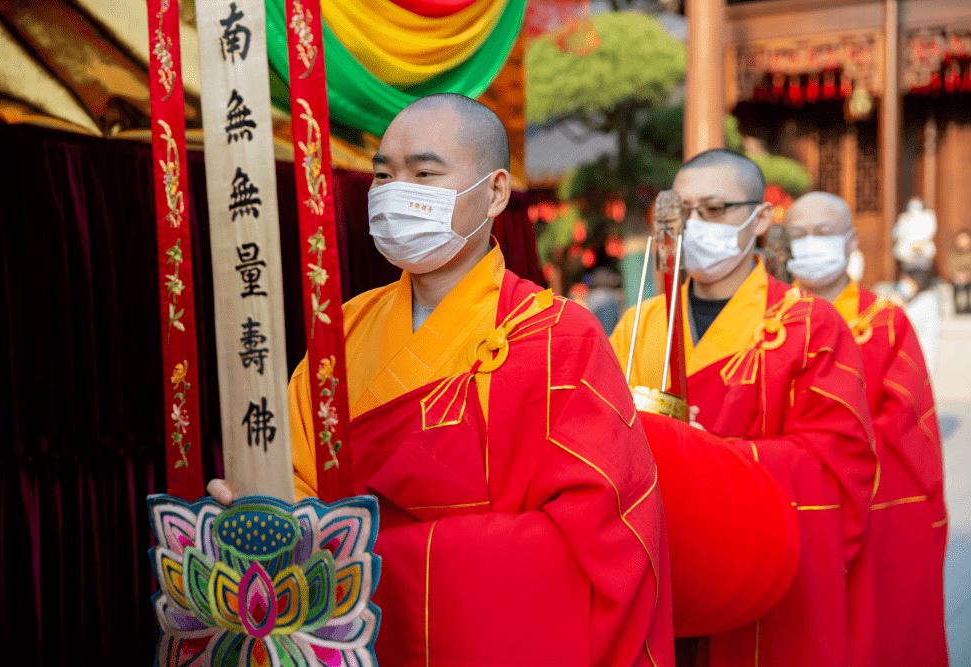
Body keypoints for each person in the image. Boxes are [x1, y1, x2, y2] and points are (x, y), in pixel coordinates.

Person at [211, 94, 673, 665]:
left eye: (424, 174)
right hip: (346, 643)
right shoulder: (343, 331)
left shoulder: (559, 338)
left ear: (496, 192)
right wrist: (269, 517)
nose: (395, 193)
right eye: (384, 176)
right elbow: (295, 480)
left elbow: (599, 542)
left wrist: (360, 555)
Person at [609, 150, 876, 666]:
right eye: (683, 212)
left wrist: (706, 456)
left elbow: (837, 463)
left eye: (714, 209)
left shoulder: (807, 326)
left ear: (760, 219)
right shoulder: (639, 326)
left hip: (758, 562)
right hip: (664, 561)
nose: (695, 226)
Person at [785, 191, 948, 667]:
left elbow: (905, 423)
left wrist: (830, 467)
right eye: (798, 234)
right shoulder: (768, 323)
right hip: (788, 504)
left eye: (823, 232)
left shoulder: (885, 323)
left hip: (870, 505)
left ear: (851, 240)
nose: (811, 243)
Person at [949, 228, 971, 314]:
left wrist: (968, 274)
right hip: (959, 278)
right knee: (957, 284)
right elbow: (953, 267)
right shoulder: (955, 253)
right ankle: (958, 307)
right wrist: (959, 275)